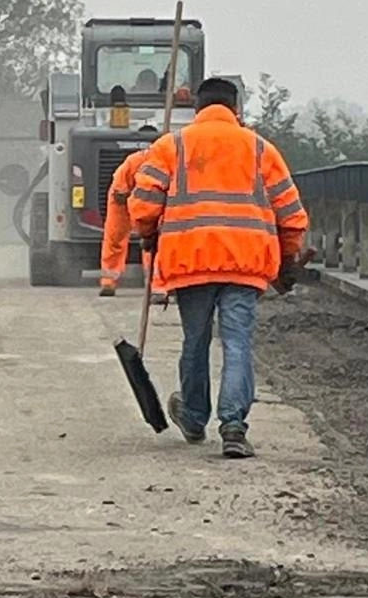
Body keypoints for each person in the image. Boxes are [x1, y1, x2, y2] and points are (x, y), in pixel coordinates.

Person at [128, 77, 308, 459]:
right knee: (238, 342)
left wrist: (147, 234)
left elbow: (142, 202)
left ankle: (193, 417)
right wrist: (287, 260)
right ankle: (233, 427)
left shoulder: (171, 146)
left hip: (191, 262)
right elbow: (291, 214)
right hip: (245, 264)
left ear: (197, 108)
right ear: (236, 109)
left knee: (195, 341)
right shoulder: (260, 149)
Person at [99, 132, 168, 302]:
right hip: (122, 199)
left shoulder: (166, 161)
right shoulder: (136, 160)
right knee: (115, 238)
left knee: (154, 241)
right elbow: (120, 188)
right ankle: (109, 281)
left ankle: (157, 286)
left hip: (151, 200)